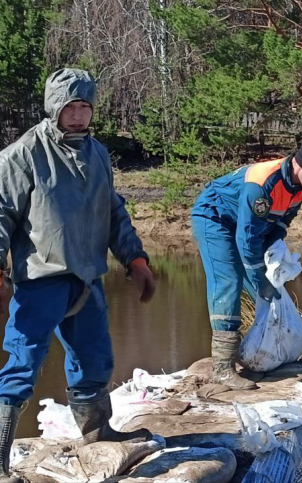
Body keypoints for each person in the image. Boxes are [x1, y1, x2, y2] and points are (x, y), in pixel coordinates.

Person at [0, 68, 157, 480]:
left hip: (87, 278)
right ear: (54, 107)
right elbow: (0, 213)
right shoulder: (23, 154)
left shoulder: (98, 154)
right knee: (22, 365)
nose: (78, 114)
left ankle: (97, 436)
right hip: (41, 280)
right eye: (70, 106)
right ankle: (0, 461)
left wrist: (135, 259)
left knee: (95, 361)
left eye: (85, 106)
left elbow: (113, 210)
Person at [191, 139, 302, 390]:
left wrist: (274, 253)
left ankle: (264, 348)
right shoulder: (262, 184)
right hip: (215, 218)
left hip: (246, 224)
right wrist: (261, 280)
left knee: (261, 285)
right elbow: (247, 241)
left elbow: (281, 222)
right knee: (230, 280)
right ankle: (223, 368)